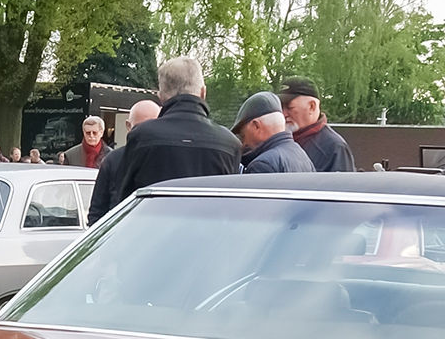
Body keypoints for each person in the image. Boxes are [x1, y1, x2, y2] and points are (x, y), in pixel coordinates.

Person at [113, 57, 242, 203]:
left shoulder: (141, 137)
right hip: (208, 224)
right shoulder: (230, 144)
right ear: (203, 93)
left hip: (153, 223)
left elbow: (124, 201)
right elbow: (230, 206)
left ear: (161, 97)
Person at [88, 99, 160, 224]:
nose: (146, 132)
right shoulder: (112, 160)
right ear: (128, 126)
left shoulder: (165, 158)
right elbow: (97, 211)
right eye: (141, 127)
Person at [277, 78, 354, 172]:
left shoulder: (334, 147)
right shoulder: (276, 139)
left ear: (312, 106)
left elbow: (343, 185)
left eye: (289, 107)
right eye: (280, 107)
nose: (283, 114)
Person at [232, 91, 313, 174]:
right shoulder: (301, 155)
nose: (244, 143)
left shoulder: (262, 165)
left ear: (256, 126)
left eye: (243, 135)